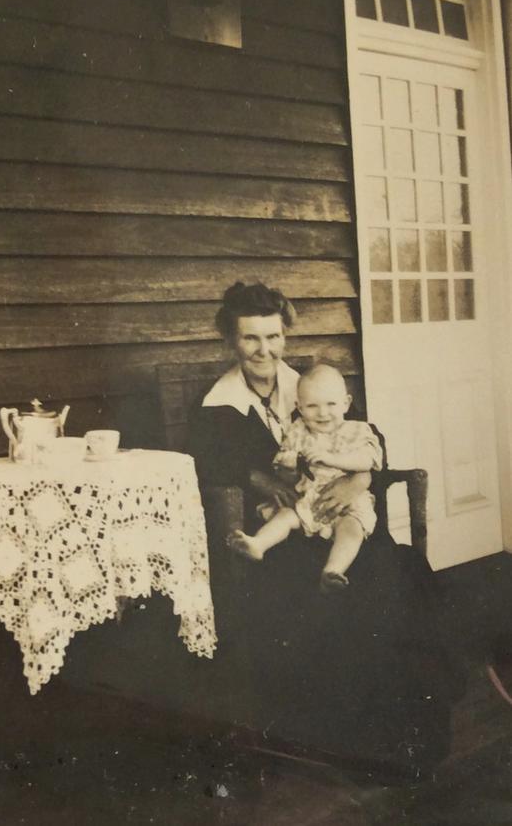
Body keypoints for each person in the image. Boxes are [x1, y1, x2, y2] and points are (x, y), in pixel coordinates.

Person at [187, 281, 463, 777]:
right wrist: (262, 479)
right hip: (287, 533)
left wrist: (360, 478)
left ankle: (412, 725)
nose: (263, 350)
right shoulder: (219, 405)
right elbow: (217, 468)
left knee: (393, 568)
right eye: (250, 339)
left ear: (285, 336)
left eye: (273, 337)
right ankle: (348, 740)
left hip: (341, 523)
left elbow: (366, 437)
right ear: (231, 340)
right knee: (325, 597)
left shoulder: (311, 385)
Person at [230, 364, 383, 594]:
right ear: (299, 408)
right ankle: (258, 544)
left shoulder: (358, 430)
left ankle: (333, 570)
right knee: (286, 515)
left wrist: (332, 459)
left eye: (331, 404)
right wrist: (287, 469)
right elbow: (285, 476)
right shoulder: (298, 431)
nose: (322, 413)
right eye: (312, 406)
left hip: (350, 502)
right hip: (308, 497)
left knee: (351, 529)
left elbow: (368, 460)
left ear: (346, 403)